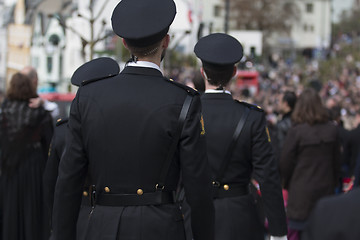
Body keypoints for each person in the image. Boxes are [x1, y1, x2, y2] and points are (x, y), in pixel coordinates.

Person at [51, 0, 215, 239]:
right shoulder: (184, 100)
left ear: (124, 43)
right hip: (159, 227)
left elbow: (68, 180)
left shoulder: (87, 95)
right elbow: (197, 188)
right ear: (166, 41)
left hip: (101, 226)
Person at [186, 32, 287, 240]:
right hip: (239, 214)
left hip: (191, 212)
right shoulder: (252, 117)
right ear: (234, 72)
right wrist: (279, 233)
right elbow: (268, 177)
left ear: (202, 72)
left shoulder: (185, 113)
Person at [43, 57, 120, 238]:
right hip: (115, 220)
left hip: (78, 219)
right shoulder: (123, 126)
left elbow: (51, 188)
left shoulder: (63, 132)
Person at [280, 88, 341, 239]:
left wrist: (287, 185)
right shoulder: (332, 130)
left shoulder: (296, 132)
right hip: (325, 192)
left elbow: (284, 164)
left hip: (301, 195)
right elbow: (337, 164)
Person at [0, 72, 53, 240]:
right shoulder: (41, 114)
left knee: (11, 209)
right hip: (34, 168)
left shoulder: (4, 114)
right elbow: (50, 143)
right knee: (32, 210)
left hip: (9, 169)